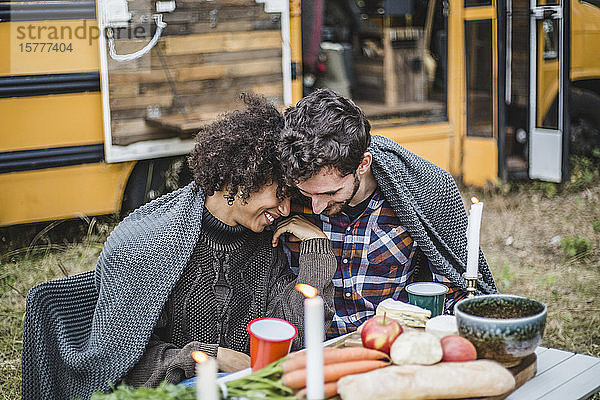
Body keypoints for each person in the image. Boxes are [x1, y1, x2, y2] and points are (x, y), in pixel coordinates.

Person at [22, 94, 336, 400]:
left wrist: (317, 253)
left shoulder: (265, 244)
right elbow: (124, 366)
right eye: (279, 194)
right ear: (241, 178)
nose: (285, 211)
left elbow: (294, 337)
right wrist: (210, 357)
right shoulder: (148, 243)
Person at [274, 89, 497, 339]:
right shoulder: (282, 200)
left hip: (392, 345)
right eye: (306, 193)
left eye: (330, 192)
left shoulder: (422, 191)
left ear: (363, 164)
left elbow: (452, 291)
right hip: (313, 351)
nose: (316, 207)